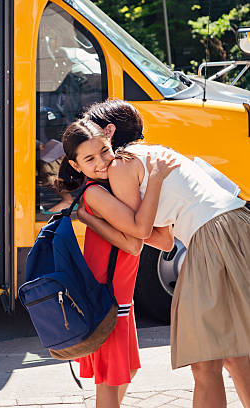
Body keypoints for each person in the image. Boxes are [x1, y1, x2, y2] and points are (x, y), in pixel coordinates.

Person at [79, 100, 250, 408]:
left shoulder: (122, 163)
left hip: (210, 236)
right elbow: (165, 239)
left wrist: (94, 217)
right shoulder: (154, 153)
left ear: (109, 132)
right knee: (236, 352)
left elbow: (138, 234)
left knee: (204, 358)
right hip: (236, 223)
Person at [57, 120, 178, 408]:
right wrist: (156, 181)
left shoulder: (110, 187)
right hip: (108, 297)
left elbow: (165, 242)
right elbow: (136, 242)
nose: (101, 162)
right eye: (89, 159)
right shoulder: (95, 194)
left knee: (126, 372)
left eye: (104, 151)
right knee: (110, 383)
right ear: (76, 166)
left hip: (121, 296)